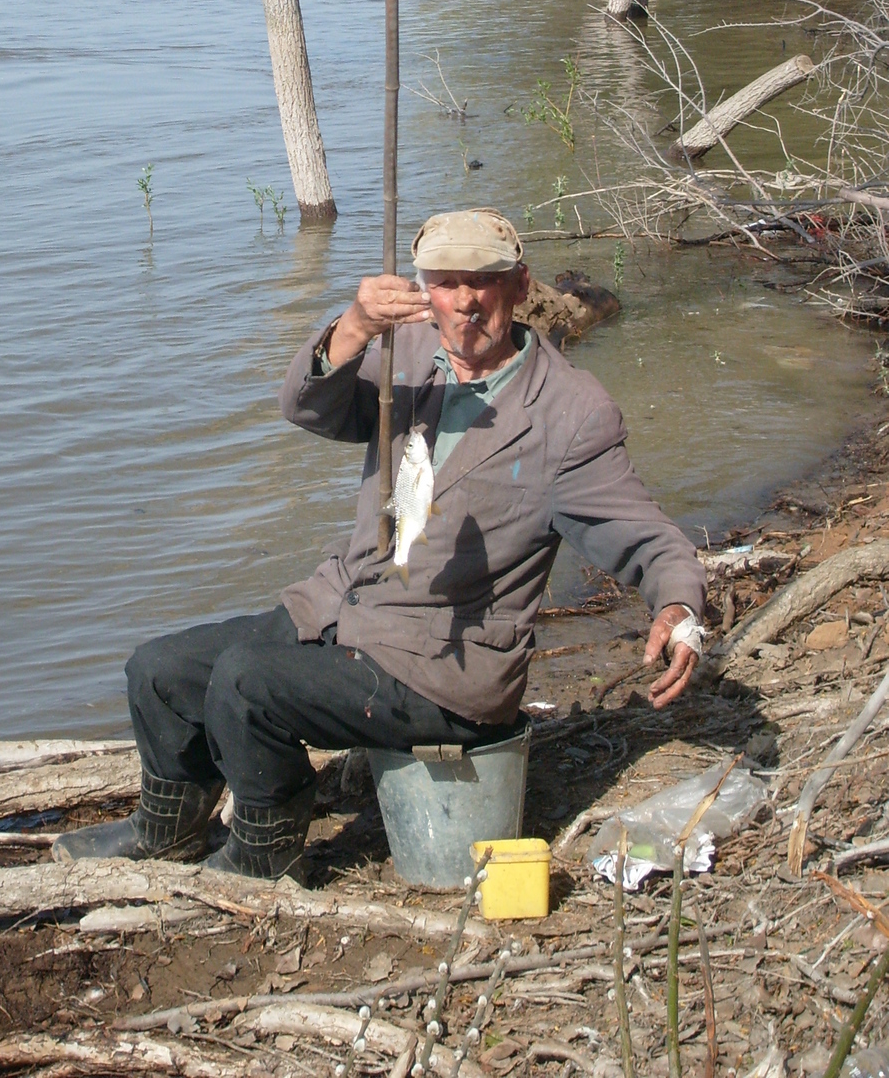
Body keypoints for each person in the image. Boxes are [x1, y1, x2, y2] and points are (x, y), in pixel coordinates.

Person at [56, 209, 707, 880]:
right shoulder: (408, 351)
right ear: (425, 289)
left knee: (248, 683)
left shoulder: (571, 413)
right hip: (342, 605)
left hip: (442, 666)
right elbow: (308, 408)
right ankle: (166, 830)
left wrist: (678, 606)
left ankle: (262, 853)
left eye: (482, 283)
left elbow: (644, 533)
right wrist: (356, 326)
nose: (464, 303)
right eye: (445, 284)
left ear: (519, 286)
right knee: (160, 672)